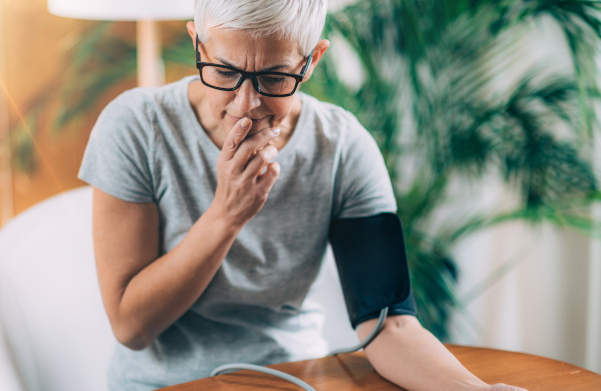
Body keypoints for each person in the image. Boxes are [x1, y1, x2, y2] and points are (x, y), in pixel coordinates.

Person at [78, 0, 527, 390]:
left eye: (274, 79)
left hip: (291, 377)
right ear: (198, 45)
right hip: (165, 385)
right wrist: (225, 216)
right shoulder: (136, 127)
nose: (245, 104)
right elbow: (130, 325)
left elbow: (389, 323)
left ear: (311, 61)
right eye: (224, 71)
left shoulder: (342, 146)